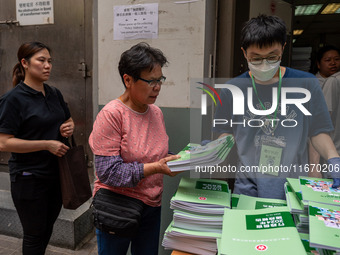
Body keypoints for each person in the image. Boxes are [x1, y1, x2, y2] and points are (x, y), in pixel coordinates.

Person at [213, 15, 340, 200]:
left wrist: (333, 159)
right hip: (248, 183)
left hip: (293, 181)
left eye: (272, 57)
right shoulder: (232, 89)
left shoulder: (306, 84)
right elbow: (225, 132)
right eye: (256, 59)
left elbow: (318, 132)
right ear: (244, 53)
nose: (264, 65)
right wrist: (214, 149)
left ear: (283, 48)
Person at [88, 42, 180, 255]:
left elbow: (156, 153)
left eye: (160, 80)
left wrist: (180, 159)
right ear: (128, 80)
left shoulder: (156, 113)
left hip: (151, 204)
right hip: (117, 207)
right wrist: (156, 167)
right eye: (151, 81)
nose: (157, 87)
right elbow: (109, 172)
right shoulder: (112, 115)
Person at [0, 42, 74, 254]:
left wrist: (69, 126)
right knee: (34, 235)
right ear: (24, 63)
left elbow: (67, 120)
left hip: (55, 175)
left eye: (49, 61)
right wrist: (46, 144)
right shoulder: (13, 99)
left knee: (46, 230)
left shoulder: (53, 93)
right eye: (41, 60)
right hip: (28, 178)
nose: (47, 65)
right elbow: (4, 142)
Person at [309, 46, 340, 172]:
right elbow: (318, 124)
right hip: (323, 147)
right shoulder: (314, 83)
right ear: (318, 64)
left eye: (337, 59)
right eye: (328, 60)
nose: (333, 63)